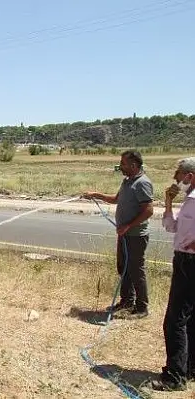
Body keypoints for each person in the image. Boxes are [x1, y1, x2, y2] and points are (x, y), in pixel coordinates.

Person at [83, 150, 154, 318]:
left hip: (136, 236)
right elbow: (116, 199)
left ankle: (142, 308)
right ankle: (126, 302)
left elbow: (149, 210)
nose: (120, 166)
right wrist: (96, 195)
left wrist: (128, 226)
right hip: (124, 234)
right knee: (123, 268)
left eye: (122, 163)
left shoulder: (142, 183)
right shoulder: (127, 181)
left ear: (133, 165)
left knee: (136, 270)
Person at [148, 157, 195, 391]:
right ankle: (189, 369)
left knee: (175, 320)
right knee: (189, 318)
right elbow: (171, 227)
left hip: (190, 262)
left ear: (190, 176)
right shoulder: (188, 200)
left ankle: (175, 378)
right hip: (185, 259)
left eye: (178, 174)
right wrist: (168, 201)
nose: (175, 179)